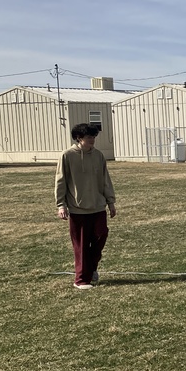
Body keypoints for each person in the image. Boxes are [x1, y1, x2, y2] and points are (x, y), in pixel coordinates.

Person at [55, 123, 117, 289]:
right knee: (81, 245)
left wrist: (110, 202)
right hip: (77, 208)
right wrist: (61, 205)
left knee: (101, 235)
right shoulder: (67, 155)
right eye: (89, 137)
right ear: (79, 138)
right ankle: (81, 280)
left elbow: (105, 180)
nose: (92, 140)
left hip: (98, 206)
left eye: (94, 136)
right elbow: (60, 181)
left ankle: (91, 268)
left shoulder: (98, 156)